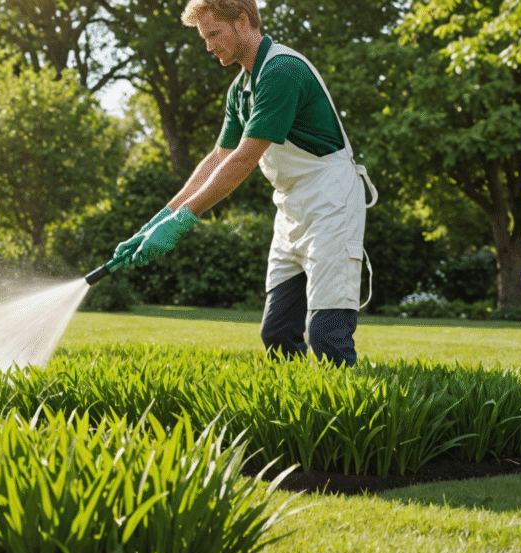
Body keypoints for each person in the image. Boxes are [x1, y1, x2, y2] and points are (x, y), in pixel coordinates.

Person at [109, 0, 376, 366]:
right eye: (204, 38)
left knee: (326, 334)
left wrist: (183, 221)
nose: (209, 46)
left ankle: (352, 411)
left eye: (214, 34)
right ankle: (296, 414)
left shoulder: (282, 71)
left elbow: (244, 159)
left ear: (243, 21)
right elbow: (219, 157)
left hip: (332, 203)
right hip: (291, 208)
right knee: (278, 332)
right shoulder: (241, 88)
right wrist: (159, 219)